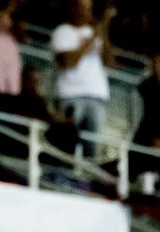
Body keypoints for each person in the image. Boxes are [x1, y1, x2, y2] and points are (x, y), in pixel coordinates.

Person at [49, 0, 114, 157]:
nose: (84, 12)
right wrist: (90, 42)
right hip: (71, 96)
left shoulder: (94, 33)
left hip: (96, 97)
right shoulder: (62, 32)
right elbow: (67, 62)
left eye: (88, 9)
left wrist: (103, 31)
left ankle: (86, 180)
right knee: (65, 144)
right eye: (81, 8)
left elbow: (109, 62)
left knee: (91, 150)